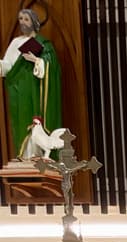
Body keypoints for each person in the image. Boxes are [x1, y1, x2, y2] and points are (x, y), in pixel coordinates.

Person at [0, 9, 61, 161]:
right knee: (23, 123)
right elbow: (8, 66)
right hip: (20, 91)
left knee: (37, 125)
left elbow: (52, 66)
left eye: (26, 19)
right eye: (20, 19)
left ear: (34, 22)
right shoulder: (15, 43)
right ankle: (25, 157)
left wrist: (38, 61)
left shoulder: (43, 43)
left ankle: (39, 156)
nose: (22, 22)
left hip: (37, 91)